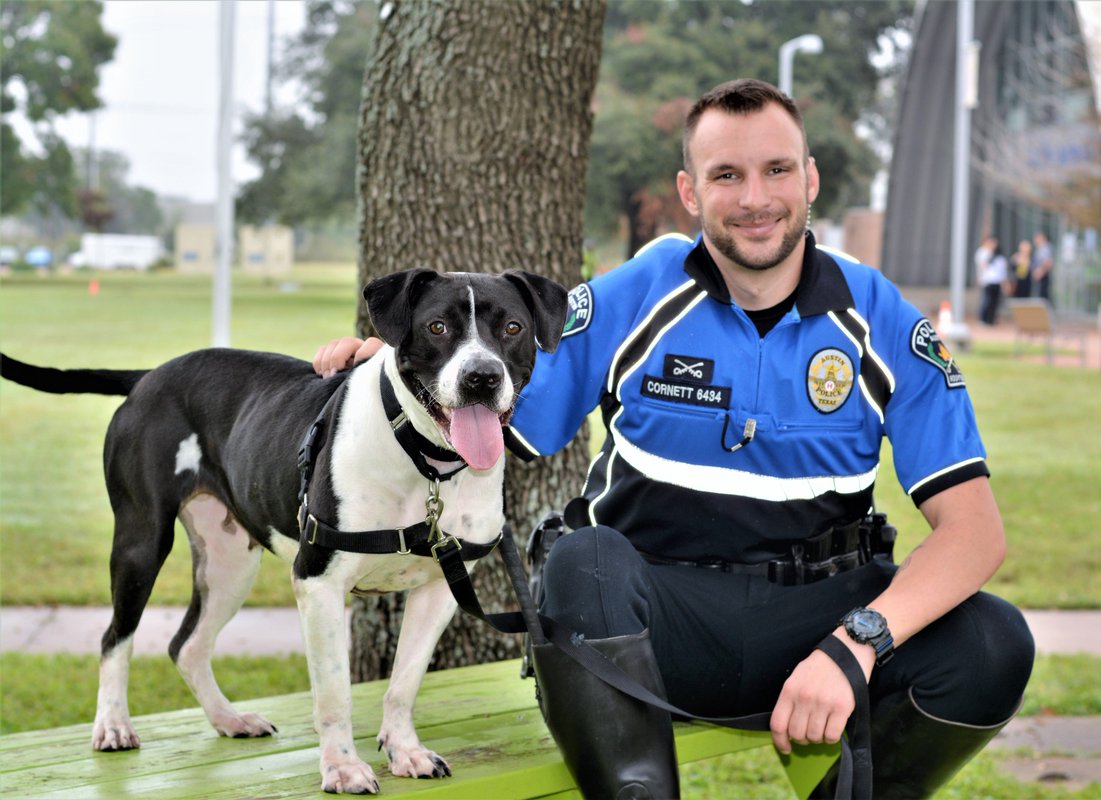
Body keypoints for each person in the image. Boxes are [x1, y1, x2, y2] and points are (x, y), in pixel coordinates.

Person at [314, 79, 1034, 799]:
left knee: (993, 643)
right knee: (582, 559)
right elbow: (481, 396)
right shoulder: (640, 290)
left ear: (810, 179)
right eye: (727, 175)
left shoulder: (880, 315)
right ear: (690, 192)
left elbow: (974, 532)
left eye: (777, 169)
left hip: (821, 619)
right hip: (651, 628)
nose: (756, 198)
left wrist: (858, 644)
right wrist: (396, 371)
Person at [977, 235, 1007, 325]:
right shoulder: (984, 252)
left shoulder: (1000, 257)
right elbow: (982, 266)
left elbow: (1002, 272)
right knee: (987, 300)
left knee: (994, 302)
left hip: (996, 282)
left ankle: (991, 319)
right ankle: (983, 319)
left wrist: (1003, 283)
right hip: (988, 281)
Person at [1032, 231, 1054, 303]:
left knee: (1043, 299)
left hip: (1042, 277)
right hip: (1041, 276)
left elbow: (1048, 263)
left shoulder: (1044, 249)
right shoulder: (1040, 248)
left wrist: (1040, 273)